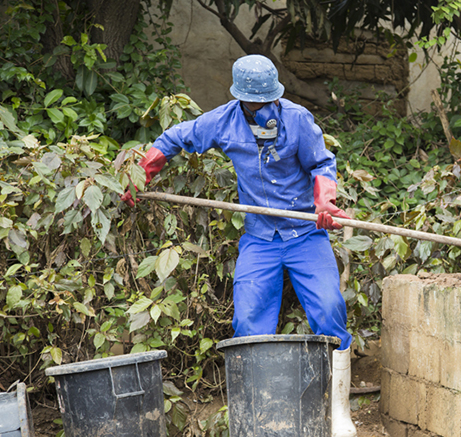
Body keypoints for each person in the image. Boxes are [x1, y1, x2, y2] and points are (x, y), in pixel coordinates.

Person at [121, 55, 357, 437]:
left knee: (329, 309)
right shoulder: (224, 121)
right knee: (249, 322)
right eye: (255, 104)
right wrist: (142, 173)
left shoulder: (297, 119)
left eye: (267, 103)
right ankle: (259, 416)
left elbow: (322, 164)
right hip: (261, 238)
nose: (262, 110)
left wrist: (324, 201)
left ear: (276, 96)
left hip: (304, 235)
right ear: (241, 99)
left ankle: (339, 412)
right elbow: (175, 138)